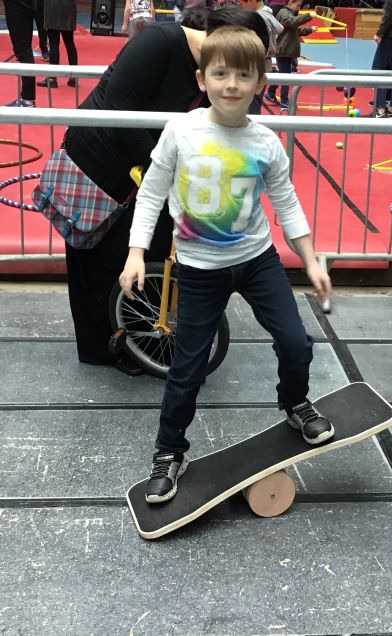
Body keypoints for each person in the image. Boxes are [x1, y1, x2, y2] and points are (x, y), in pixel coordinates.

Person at [119, 25, 334, 504]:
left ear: (261, 83)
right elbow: (152, 192)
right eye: (221, 74)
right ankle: (169, 451)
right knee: (188, 365)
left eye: (243, 75)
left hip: (256, 262)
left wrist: (311, 260)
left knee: (296, 342)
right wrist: (135, 252)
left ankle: (295, 403)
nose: (231, 84)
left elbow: (288, 203)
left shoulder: (265, 143)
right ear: (202, 79)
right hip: (199, 269)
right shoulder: (182, 131)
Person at [62, 7, 269, 376]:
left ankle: (146, 337)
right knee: (97, 257)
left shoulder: (211, 71)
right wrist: (169, 168)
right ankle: (104, 348)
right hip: (98, 158)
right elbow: (118, 111)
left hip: (144, 165)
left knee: (153, 247)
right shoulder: (158, 42)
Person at [264, 0, 315, 111]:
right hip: (283, 50)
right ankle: (284, 101)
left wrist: (309, 30)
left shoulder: (288, 14)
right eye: (297, 5)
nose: (298, 8)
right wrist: (308, 16)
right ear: (290, 3)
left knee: (284, 74)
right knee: (286, 77)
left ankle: (271, 93)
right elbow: (292, 22)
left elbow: (295, 30)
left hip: (286, 50)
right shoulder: (284, 13)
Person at [37, 0, 78, 88]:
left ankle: (52, 78)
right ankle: (74, 77)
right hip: (68, 8)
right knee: (69, 42)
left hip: (53, 8)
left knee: (54, 44)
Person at [3, 0, 37, 107]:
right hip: (20, 9)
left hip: (19, 9)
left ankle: (28, 100)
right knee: (23, 51)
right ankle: (27, 98)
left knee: (24, 52)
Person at [371, 0, 392, 118]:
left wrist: (379, 33)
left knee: (379, 70)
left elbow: (389, 14)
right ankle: (390, 107)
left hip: (389, 38)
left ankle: (380, 109)